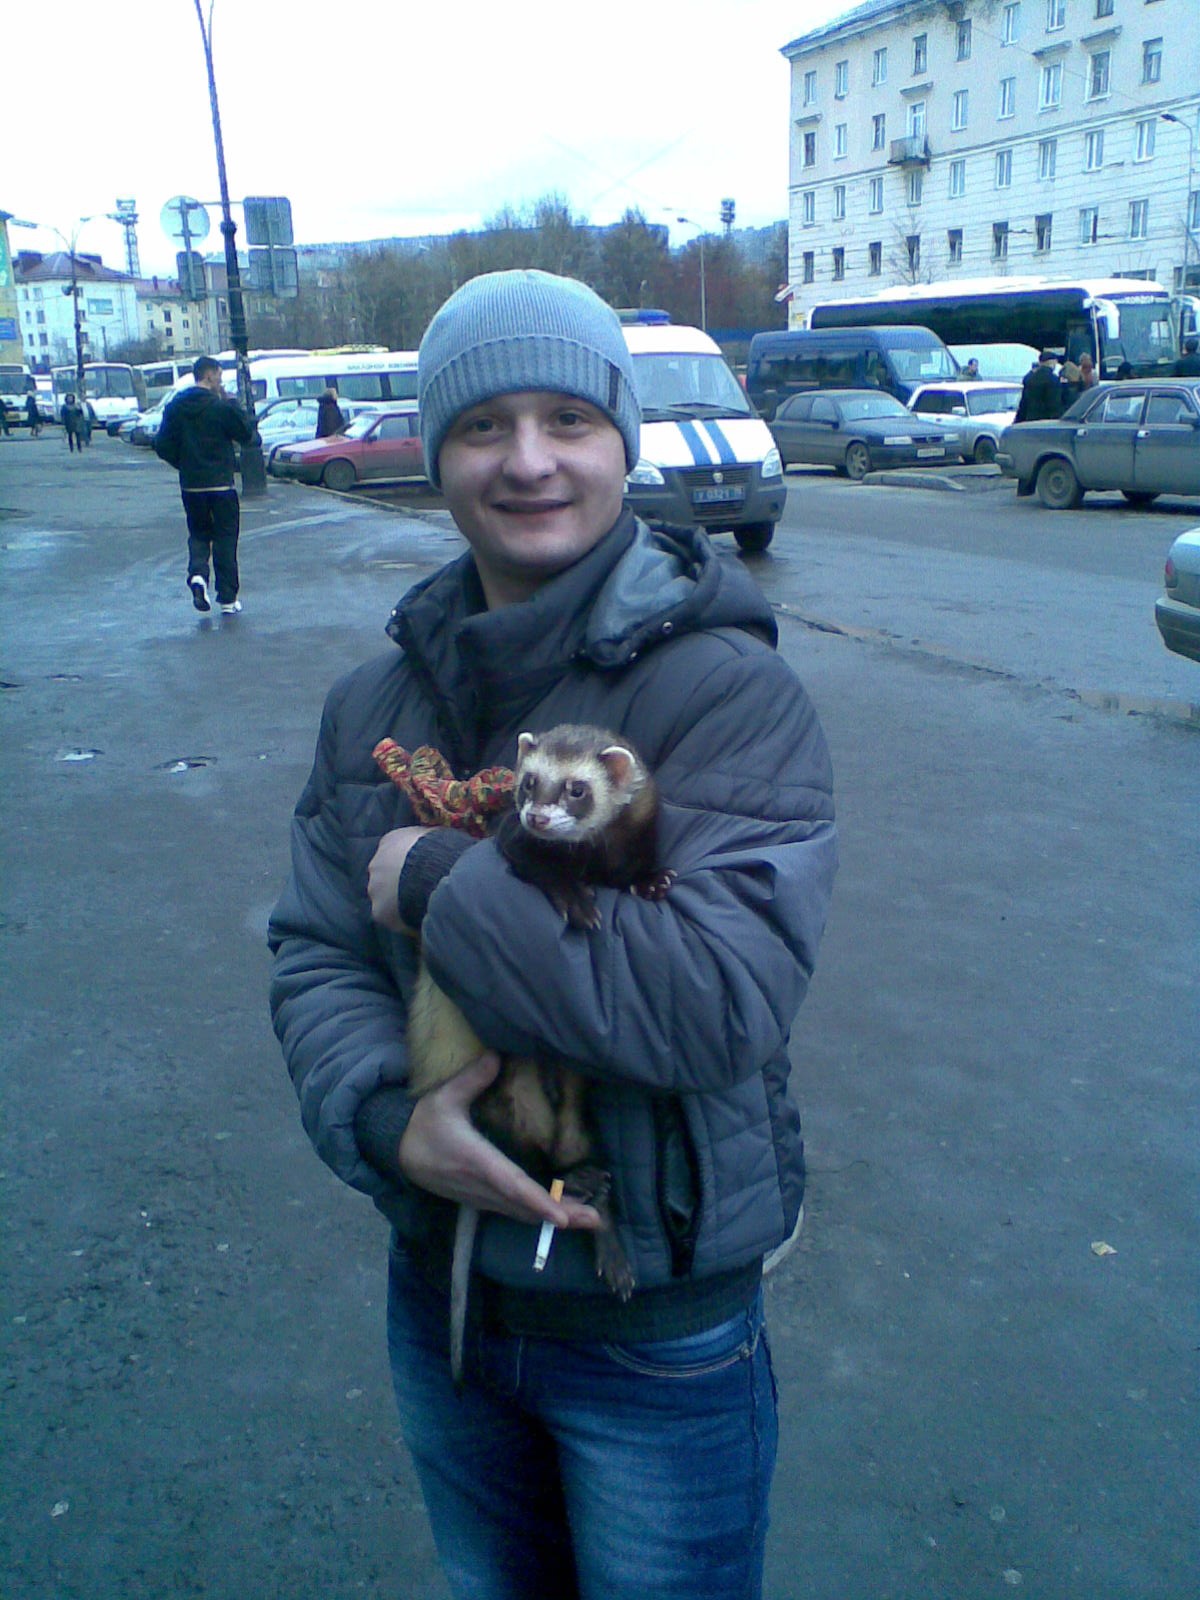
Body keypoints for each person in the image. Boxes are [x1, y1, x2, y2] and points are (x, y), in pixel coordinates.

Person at [269, 269, 838, 1600]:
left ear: (622, 442)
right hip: (448, 1294)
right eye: (484, 426)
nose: (528, 461)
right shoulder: (374, 705)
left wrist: (439, 882)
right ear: (436, 451)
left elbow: (714, 1003)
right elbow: (316, 950)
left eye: (568, 421)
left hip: (653, 1325)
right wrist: (384, 1121)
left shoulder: (724, 693)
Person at [154, 355, 256, 615]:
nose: (221, 380)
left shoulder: (176, 407)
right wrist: (232, 403)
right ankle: (228, 598)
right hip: (221, 485)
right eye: (219, 375)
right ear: (209, 375)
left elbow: (162, 445)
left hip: (192, 486)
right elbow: (247, 435)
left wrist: (185, 464)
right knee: (225, 539)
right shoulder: (220, 407)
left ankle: (198, 575)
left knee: (199, 534)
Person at [1014, 349, 1064, 423]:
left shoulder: (1030, 378)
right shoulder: (1053, 379)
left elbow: (1024, 403)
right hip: (1046, 421)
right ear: (1053, 362)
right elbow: (1054, 404)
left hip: (1030, 420)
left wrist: (1017, 421)